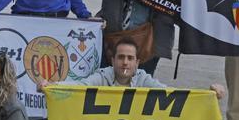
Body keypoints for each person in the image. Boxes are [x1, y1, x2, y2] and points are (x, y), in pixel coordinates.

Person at [39, 38, 224, 97]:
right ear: (112, 61)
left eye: (130, 58)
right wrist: (51, 87)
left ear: (137, 62)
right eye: (121, 58)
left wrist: (207, 94)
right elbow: (79, 86)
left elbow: (170, 93)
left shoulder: (144, 79)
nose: (125, 62)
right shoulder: (103, 76)